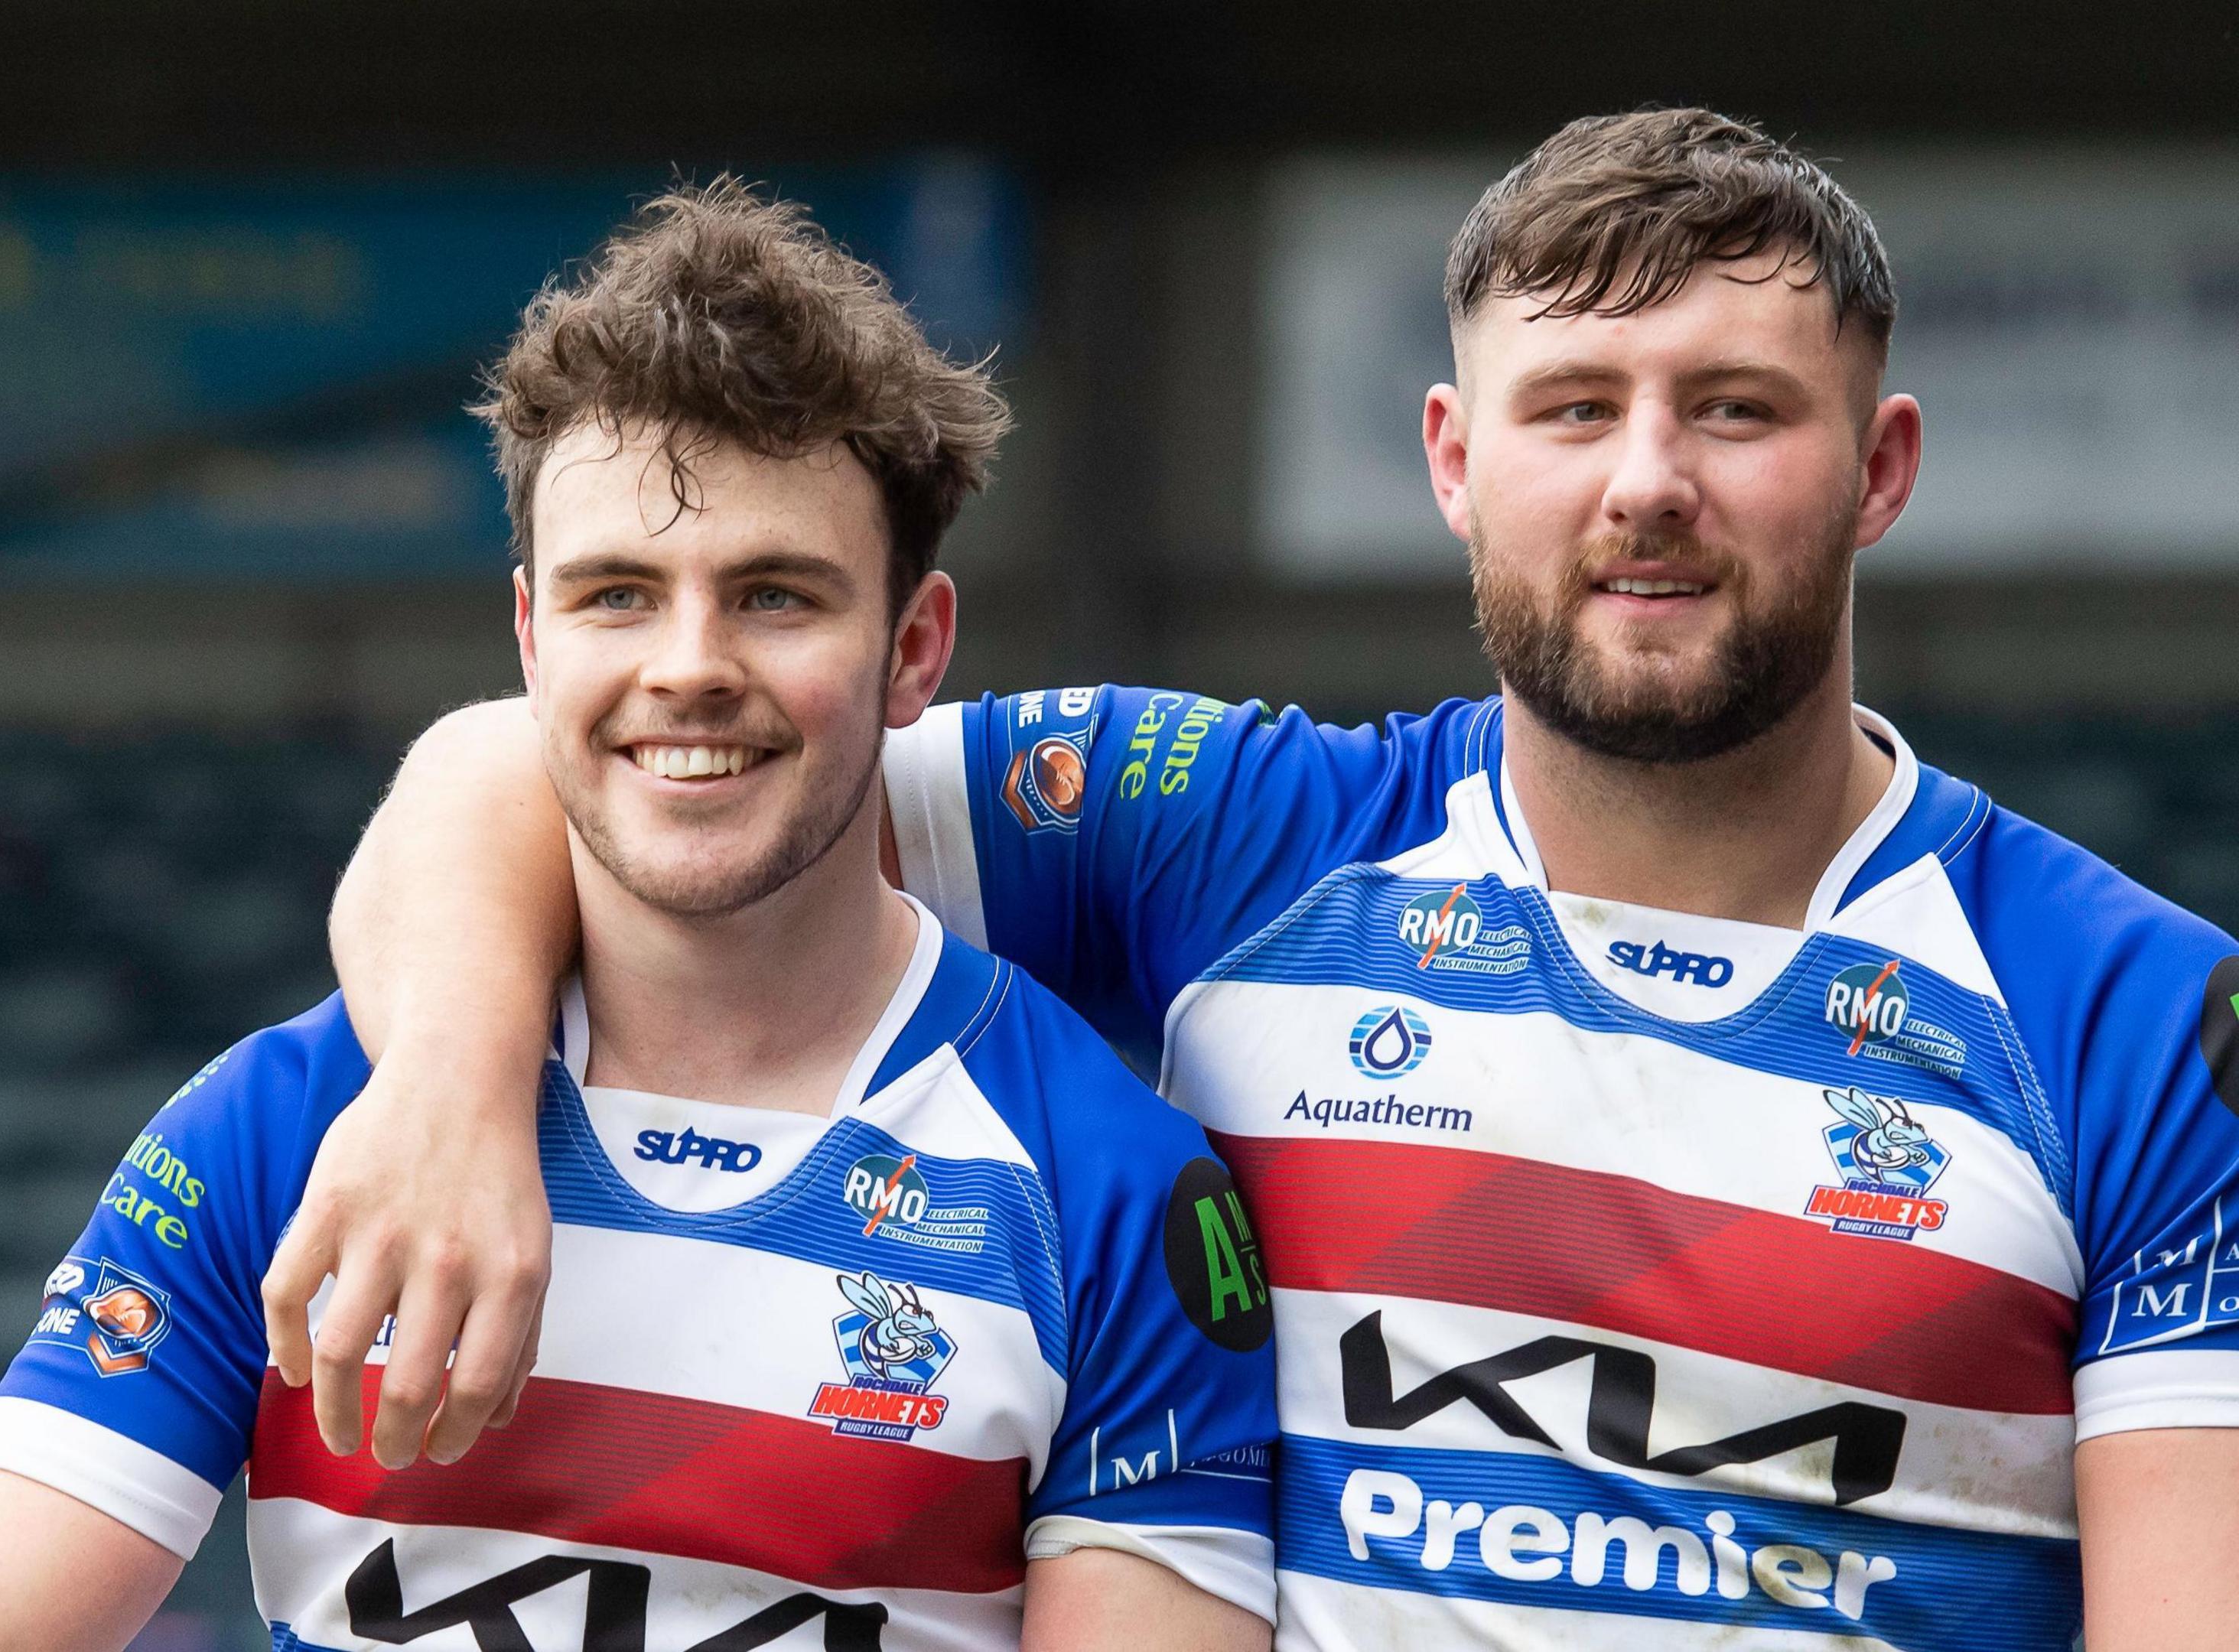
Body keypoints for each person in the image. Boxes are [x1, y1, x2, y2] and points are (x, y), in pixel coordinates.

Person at [285, 113, 2239, 1651]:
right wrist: (447, 1102)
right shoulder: (1223, 832)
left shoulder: (2142, 1024)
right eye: (1575, 409)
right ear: (1456, 460)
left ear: (1881, 467)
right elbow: (554, 764)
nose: (1650, 480)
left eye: (1735, 408)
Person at [0, 181, 1281, 1652]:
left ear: (913, 649)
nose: (689, 668)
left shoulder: (1115, 1198)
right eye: (618, 595)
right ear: (532, 636)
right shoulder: (300, 1127)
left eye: (776, 597)